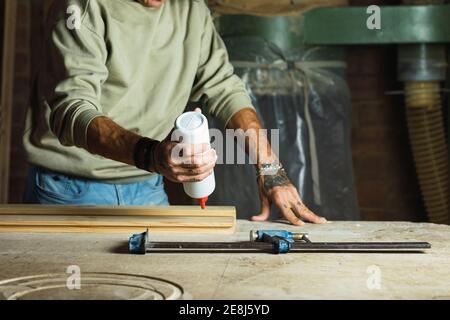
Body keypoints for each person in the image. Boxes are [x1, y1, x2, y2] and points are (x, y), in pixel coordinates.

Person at [22, 0, 326, 226]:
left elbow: (223, 86)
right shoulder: (82, 7)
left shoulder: (192, 8)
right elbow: (72, 109)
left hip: (146, 184)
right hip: (70, 188)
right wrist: (150, 154)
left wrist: (270, 168)